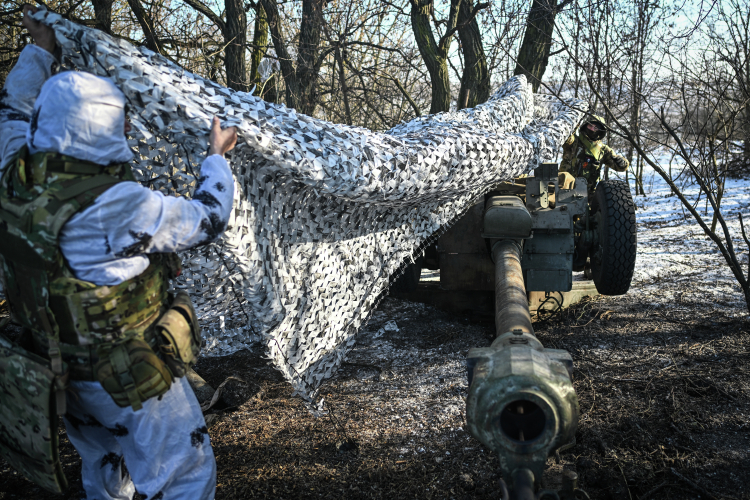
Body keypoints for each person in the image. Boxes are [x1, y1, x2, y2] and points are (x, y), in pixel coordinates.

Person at [0, 5, 237, 499]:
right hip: (128, 376)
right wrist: (216, 157)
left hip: (59, 369)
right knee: (183, 474)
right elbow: (207, 218)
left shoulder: (14, 175)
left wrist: (41, 50)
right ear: (107, 129)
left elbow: (13, 109)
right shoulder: (116, 204)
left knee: (107, 468)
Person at [558, 114, 629, 198]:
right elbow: (566, 138)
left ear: (601, 130)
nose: (592, 129)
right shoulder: (574, 141)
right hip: (564, 188)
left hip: (589, 193)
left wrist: (623, 163)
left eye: (595, 127)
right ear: (585, 126)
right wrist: (574, 122)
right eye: (590, 125)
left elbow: (620, 166)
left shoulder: (603, 150)